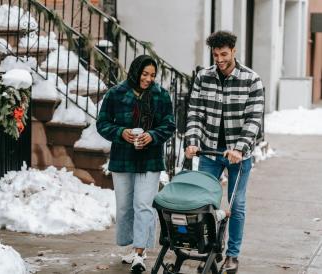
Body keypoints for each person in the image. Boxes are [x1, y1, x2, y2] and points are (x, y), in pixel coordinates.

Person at [185, 30, 264, 273]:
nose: (219, 59)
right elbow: (195, 112)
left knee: (236, 204)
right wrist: (193, 140)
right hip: (209, 152)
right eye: (215, 54)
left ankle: (232, 254)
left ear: (233, 51)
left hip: (238, 155)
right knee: (206, 203)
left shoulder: (252, 79)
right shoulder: (203, 77)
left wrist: (239, 149)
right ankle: (211, 251)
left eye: (224, 54)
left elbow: (254, 120)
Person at [96, 55, 176, 273]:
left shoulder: (160, 95)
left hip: (149, 158)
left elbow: (169, 124)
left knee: (143, 205)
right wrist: (122, 132)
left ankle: (140, 253)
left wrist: (152, 135)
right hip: (122, 157)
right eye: (145, 74)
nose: (148, 79)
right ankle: (132, 245)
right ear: (135, 72)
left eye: (152, 75)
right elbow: (102, 124)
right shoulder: (116, 94)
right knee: (124, 207)